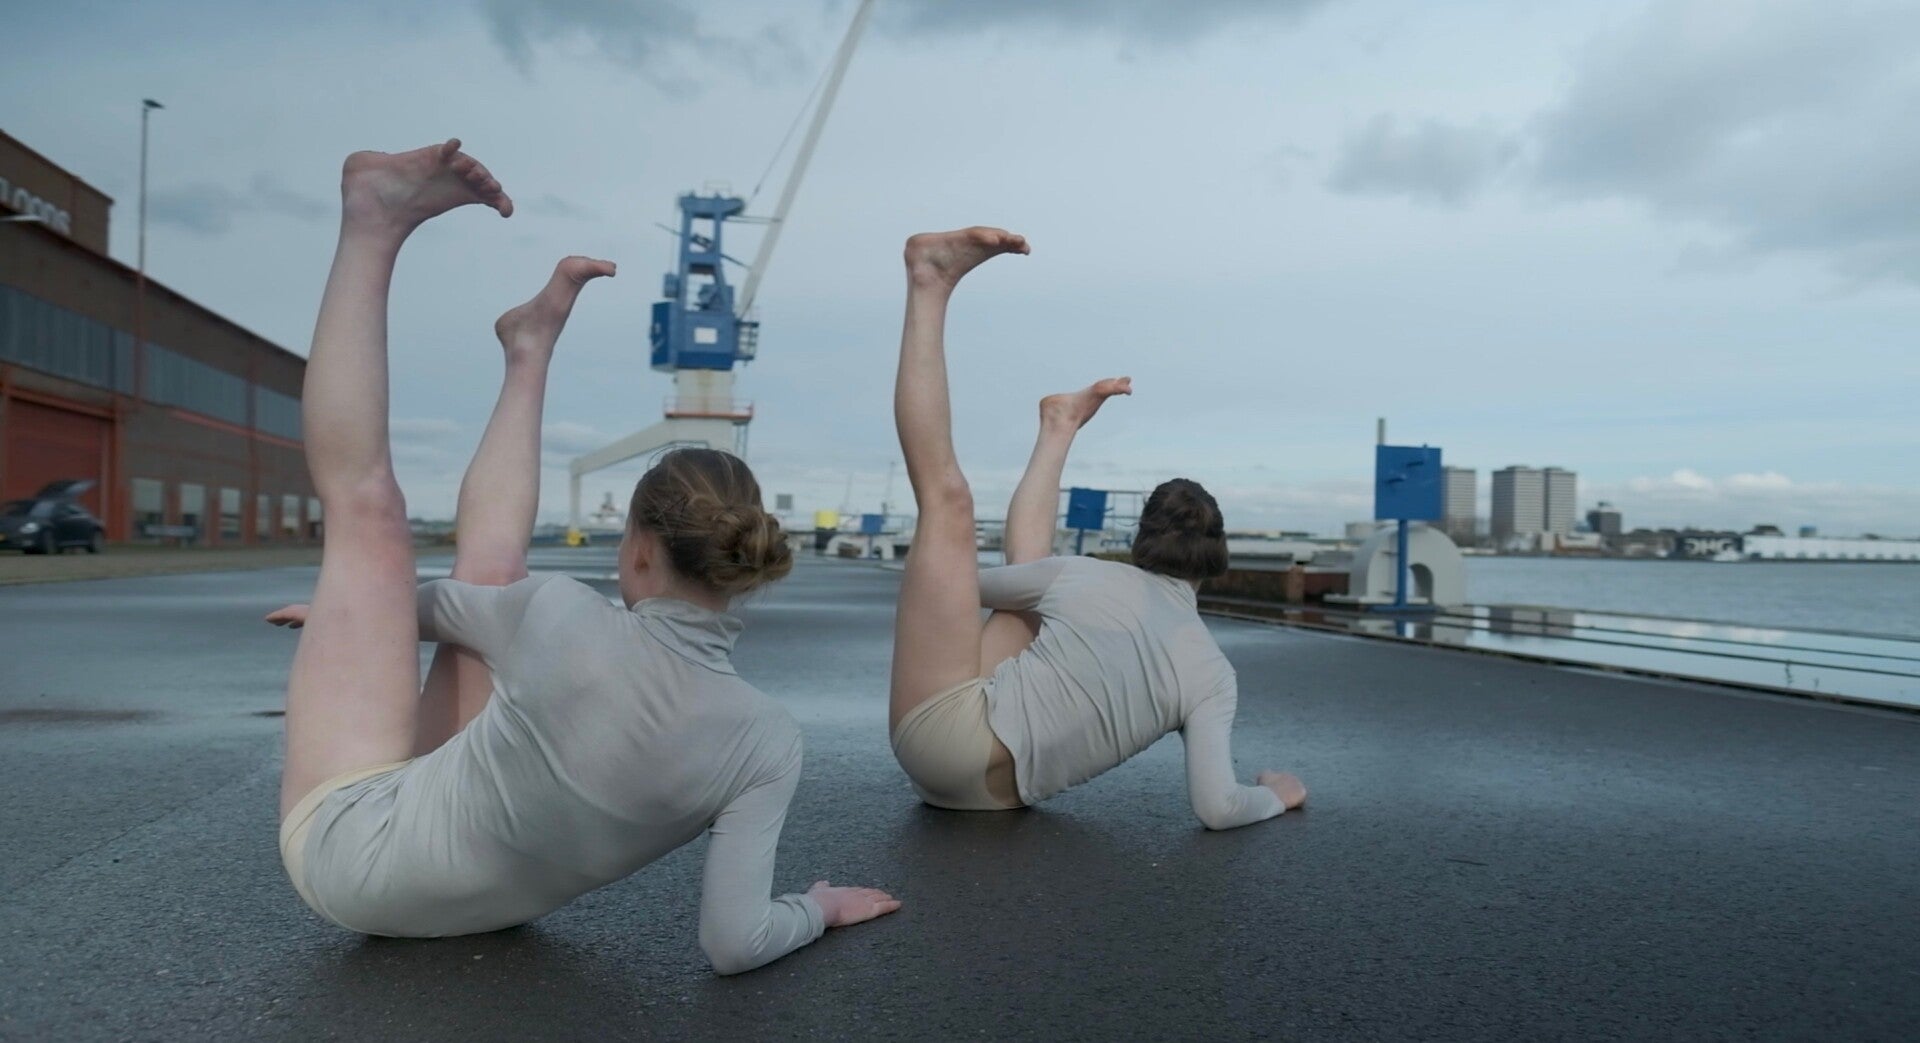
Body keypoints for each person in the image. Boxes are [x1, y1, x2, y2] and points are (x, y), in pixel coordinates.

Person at [271, 139, 897, 975]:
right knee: (491, 585)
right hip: (479, 910)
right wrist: (820, 906)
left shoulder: (561, 614)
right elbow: (733, 942)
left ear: (636, 552)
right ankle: (528, 346)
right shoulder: (767, 740)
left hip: (347, 858)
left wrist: (347, 619)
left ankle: (372, 221)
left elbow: (424, 605)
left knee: (370, 514)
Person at [885, 226, 1308, 826]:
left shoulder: (1084, 578)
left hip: (940, 739)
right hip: (995, 798)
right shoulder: (1215, 676)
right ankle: (1057, 425)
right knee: (1031, 594)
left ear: (1141, 543)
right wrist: (1277, 795)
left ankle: (928, 281)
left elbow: (957, 588)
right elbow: (1219, 808)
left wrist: (956, 562)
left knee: (949, 507)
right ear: (1217, 561)